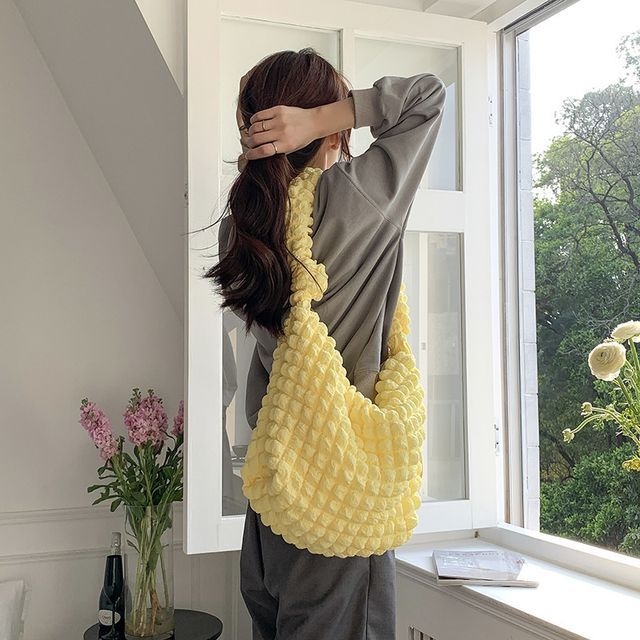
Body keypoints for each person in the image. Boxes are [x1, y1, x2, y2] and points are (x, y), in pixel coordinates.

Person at [207, 48, 446, 640]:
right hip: (339, 494)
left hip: (275, 497)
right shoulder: (354, 198)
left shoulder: (241, 225)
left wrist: (308, 128)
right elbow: (426, 96)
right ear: (318, 122)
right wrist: (321, 120)